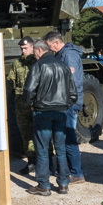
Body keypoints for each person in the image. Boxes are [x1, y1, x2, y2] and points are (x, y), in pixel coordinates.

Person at [23, 39, 76, 196]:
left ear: (39, 50)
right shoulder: (64, 67)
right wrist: (65, 105)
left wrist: (31, 105)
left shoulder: (38, 66)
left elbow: (29, 90)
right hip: (61, 112)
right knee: (60, 148)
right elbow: (73, 93)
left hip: (43, 112)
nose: (34, 55)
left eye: (34, 52)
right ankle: (64, 184)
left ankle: (44, 185)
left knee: (42, 149)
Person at [43, 30, 86, 185]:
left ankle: (77, 173)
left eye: (50, 46)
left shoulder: (68, 55)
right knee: (65, 137)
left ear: (56, 42)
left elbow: (71, 81)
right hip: (66, 102)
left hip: (69, 103)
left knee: (68, 137)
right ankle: (70, 170)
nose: (49, 49)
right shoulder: (63, 54)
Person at [6, 37, 36, 169]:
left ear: (32, 47)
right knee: (25, 134)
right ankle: (30, 161)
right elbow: (10, 81)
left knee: (41, 134)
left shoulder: (38, 62)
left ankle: (46, 162)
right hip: (21, 105)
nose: (23, 51)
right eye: (21, 49)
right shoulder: (17, 63)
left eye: (25, 48)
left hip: (35, 104)